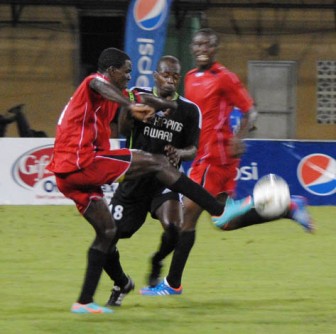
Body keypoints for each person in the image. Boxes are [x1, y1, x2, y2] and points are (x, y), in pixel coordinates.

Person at [46, 47, 253, 314]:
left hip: (68, 175)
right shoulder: (94, 83)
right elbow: (102, 86)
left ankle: (94, 296)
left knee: (107, 232)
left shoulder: (122, 94)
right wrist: (130, 106)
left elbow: (139, 97)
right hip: (79, 161)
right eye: (126, 71)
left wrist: (163, 105)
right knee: (155, 162)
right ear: (111, 71)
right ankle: (221, 210)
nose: (129, 76)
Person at [140, 28, 314, 296]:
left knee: (187, 219)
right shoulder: (189, 76)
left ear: (215, 48)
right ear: (192, 47)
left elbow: (250, 108)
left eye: (207, 45)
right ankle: (287, 208)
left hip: (216, 156)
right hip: (202, 156)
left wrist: (240, 136)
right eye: (197, 44)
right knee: (224, 221)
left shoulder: (224, 78)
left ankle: (172, 284)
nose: (201, 49)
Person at [102, 55, 201, 307]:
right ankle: (121, 282)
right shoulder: (138, 96)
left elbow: (193, 148)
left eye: (175, 76)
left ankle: (157, 261)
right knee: (107, 237)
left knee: (175, 229)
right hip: (134, 178)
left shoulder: (189, 110)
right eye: (166, 74)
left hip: (165, 180)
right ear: (156, 75)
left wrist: (180, 153)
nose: (170, 79)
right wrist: (132, 112)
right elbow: (123, 131)